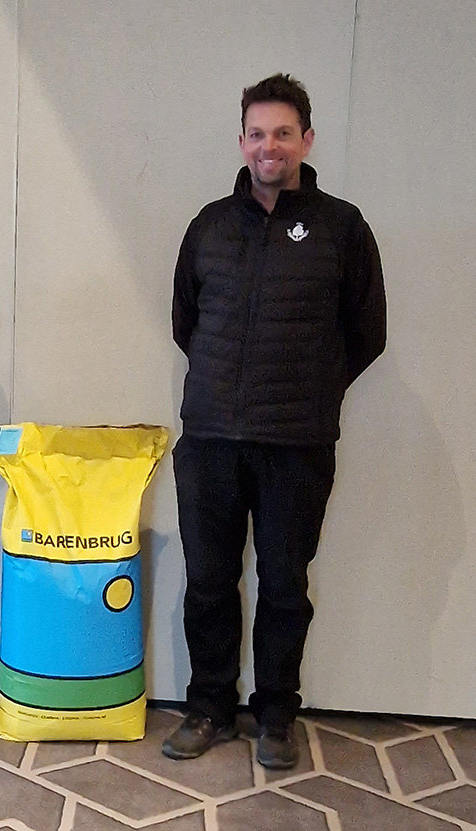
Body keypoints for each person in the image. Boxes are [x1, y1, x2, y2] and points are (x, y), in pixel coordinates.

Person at [163, 75, 386, 769]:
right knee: (208, 581)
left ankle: (277, 715)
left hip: (296, 445)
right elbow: (186, 321)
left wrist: (311, 390)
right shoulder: (208, 225)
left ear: (306, 140)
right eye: (257, 133)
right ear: (242, 141)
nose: (269, 145)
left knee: (285, 584)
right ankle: (209, 708)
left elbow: (367, 333)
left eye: (283, 132)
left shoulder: (341, 227)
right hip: (209, 442)